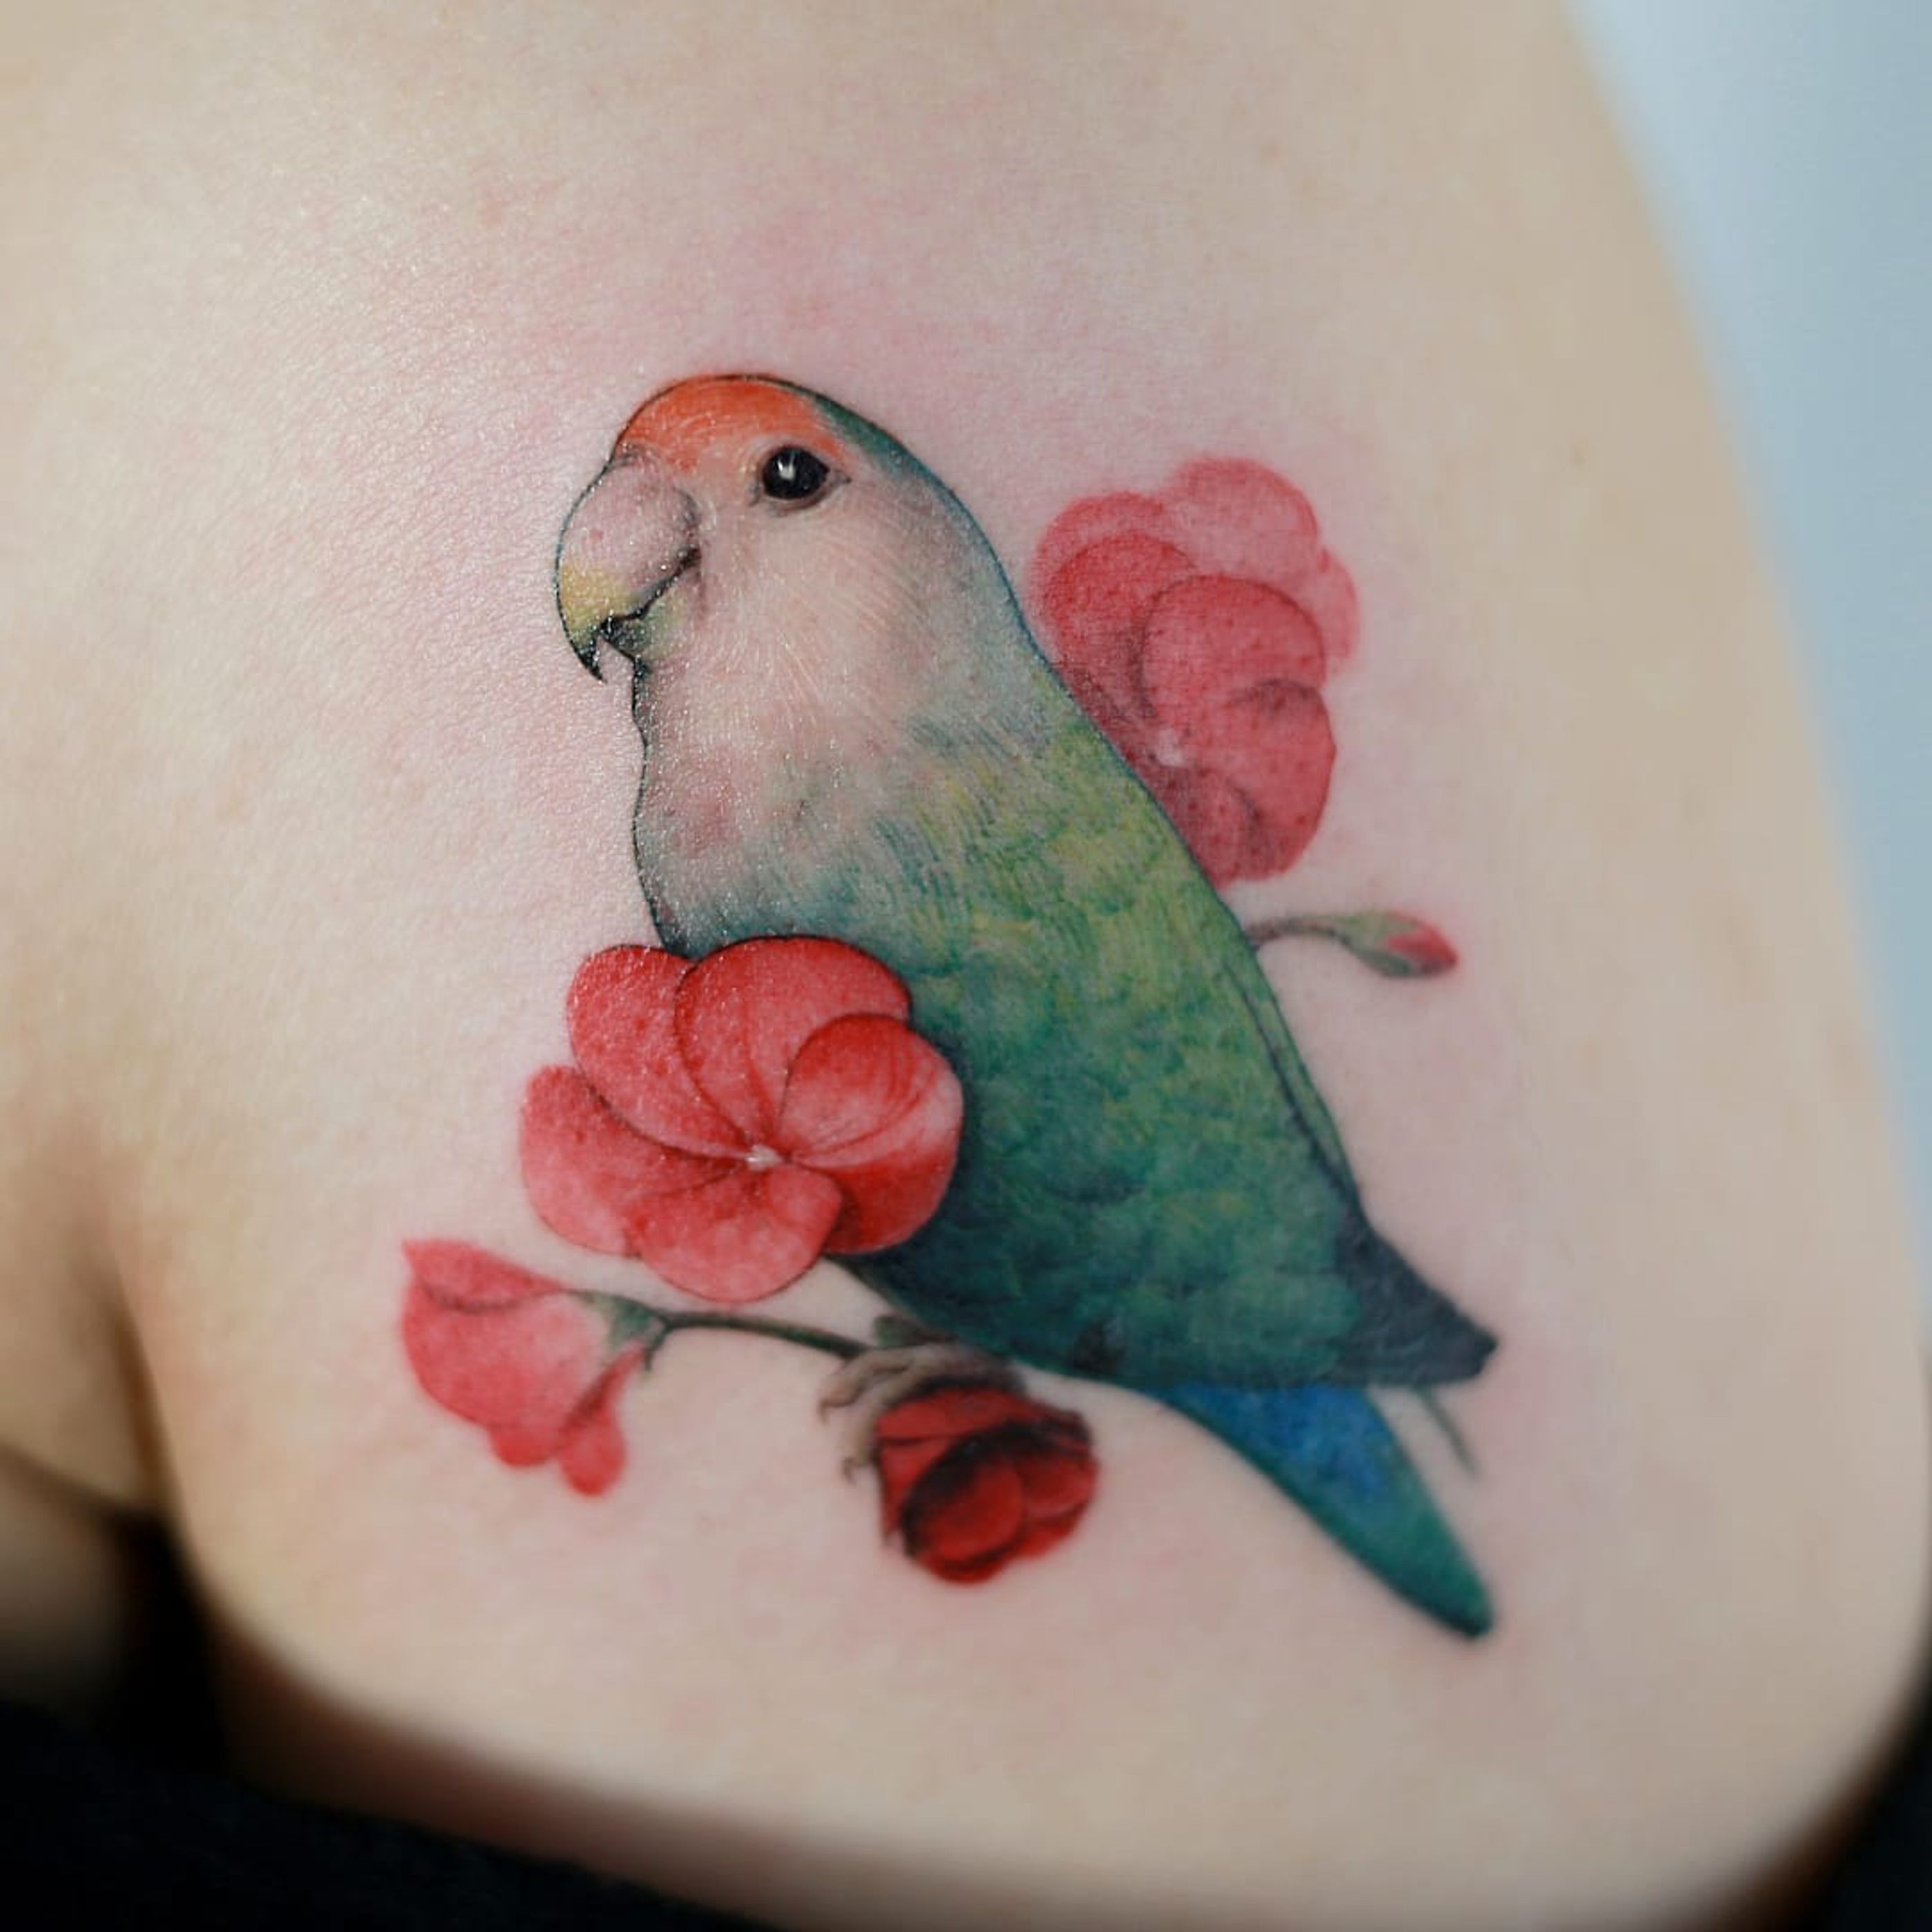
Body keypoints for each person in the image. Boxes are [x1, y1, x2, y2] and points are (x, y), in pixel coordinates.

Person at [1, 6, 1924, 1926]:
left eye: (786, 482)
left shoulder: (677, 150)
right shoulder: (740, 800)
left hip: (1223, 1312)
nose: (663, 520)